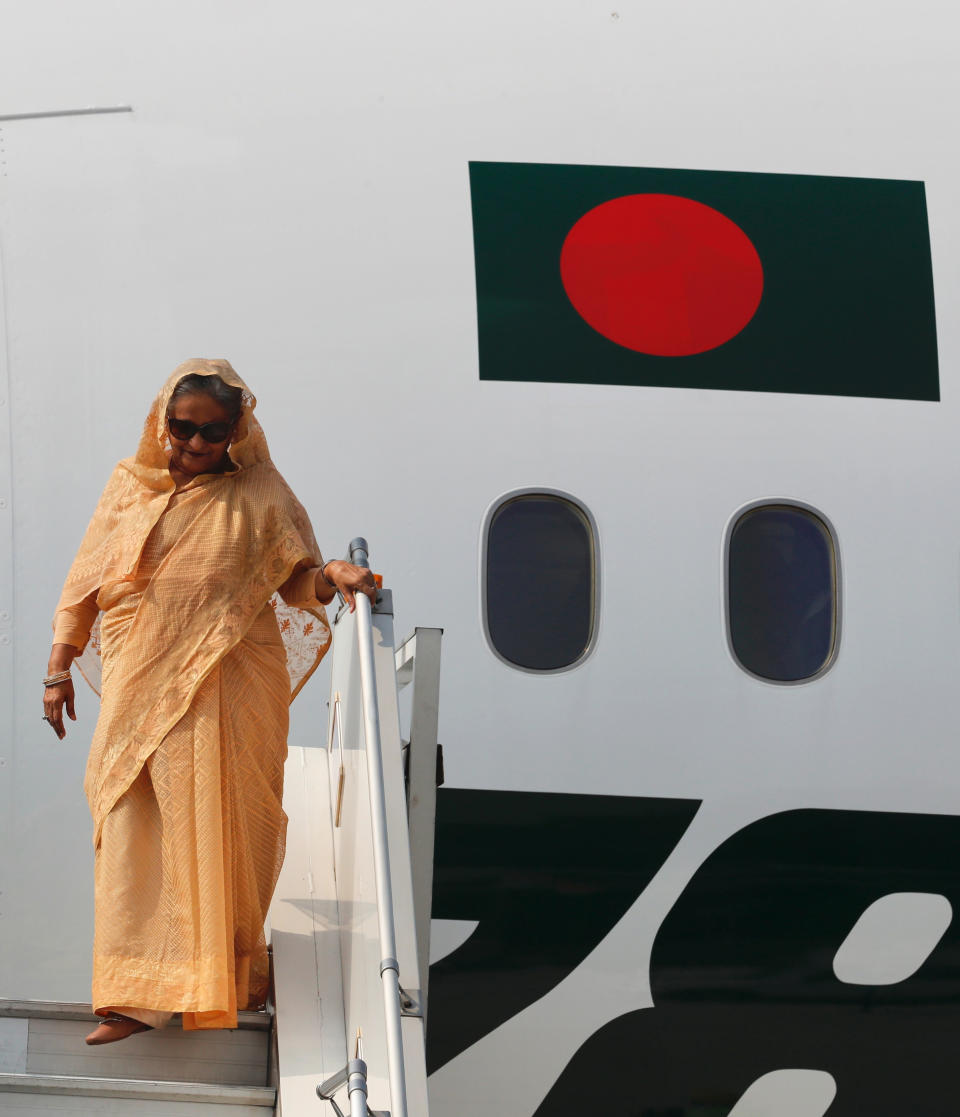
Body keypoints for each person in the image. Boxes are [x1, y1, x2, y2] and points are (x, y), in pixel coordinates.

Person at [42, 359, 376, 1045]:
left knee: (226, 820)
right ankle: (133, 988)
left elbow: (294, 579)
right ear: (161, 421)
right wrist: (59, 667)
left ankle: (218, 979)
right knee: (131, 818)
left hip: (229, 682)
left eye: (212, 432)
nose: (194, 444)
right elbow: (85, 583)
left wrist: (332, 575)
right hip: (140, 676)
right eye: (183, 427)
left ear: (236, 430)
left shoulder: (260, 493)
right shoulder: (128, 487)